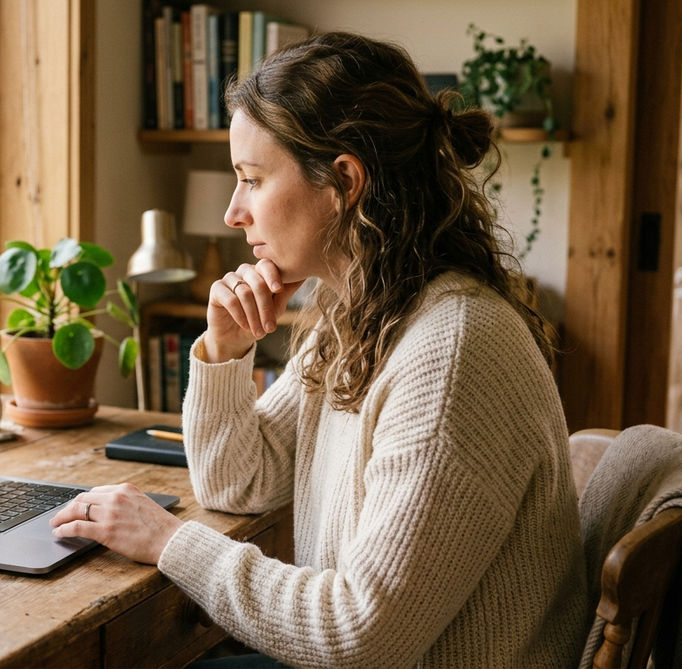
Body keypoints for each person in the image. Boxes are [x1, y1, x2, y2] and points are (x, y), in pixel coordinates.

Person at [50, 31, 587, 667]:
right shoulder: (360, 311)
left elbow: (360, 632)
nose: (232, 212)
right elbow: (238, 483)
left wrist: (169, 540)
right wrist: (225, 350)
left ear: (344, 180)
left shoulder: (450, 351)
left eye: (251, 179)